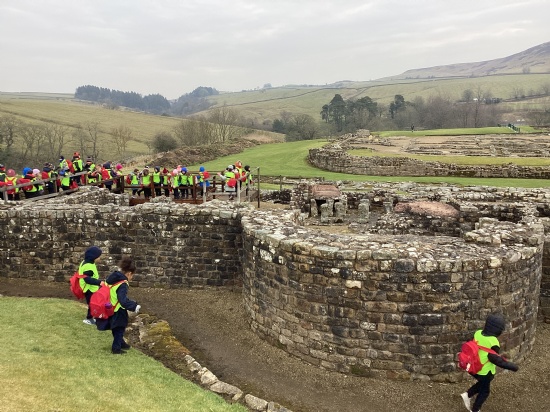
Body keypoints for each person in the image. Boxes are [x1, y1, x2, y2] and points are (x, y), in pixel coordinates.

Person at [460, 313, 519, 412]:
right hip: (484, 371)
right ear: (498, 330)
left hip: (473, 367)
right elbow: (496, 359)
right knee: (485, 391)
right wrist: (513, 367)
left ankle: (467, 394)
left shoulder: (478, 333)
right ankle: (475, 409)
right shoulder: (493, 342)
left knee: (482, 384)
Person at [96, 256, 141, 354]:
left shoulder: (113, 278)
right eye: (132, 275)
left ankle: (122, 343)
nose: (132, 278)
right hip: (117, 309)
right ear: (129, 273)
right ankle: (116, 348)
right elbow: (122, 300)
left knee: (115, 327)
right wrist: (134, 306)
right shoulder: (123, 283)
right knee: (120, 328)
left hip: (109, 306)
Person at [78, 246, 104, 325]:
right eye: (98, 256)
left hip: (91, 288)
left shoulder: (87, 262)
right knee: (92, 303)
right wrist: (99, 282)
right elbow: (87, 279)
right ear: (94, 257)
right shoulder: (88, 266)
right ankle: (89, 318)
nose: (100, 258)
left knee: (93, 303)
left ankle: (93, 317)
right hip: (89, 289)